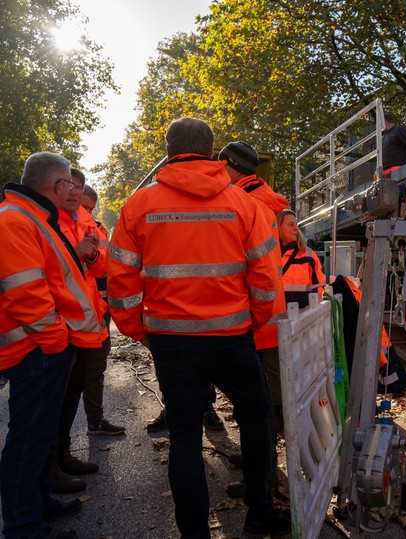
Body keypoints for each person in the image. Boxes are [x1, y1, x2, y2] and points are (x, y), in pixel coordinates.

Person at [107, 117, 289, 537]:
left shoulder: (139, 206)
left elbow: (121, 282)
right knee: (257, 422)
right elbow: (266, 280)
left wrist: (141, 330)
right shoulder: (245, 206)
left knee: (185, 438)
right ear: (214, 153)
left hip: (172, 342)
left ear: (167, 151)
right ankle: (260, 513)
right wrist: (251, 322)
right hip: (233, 339)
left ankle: (194, 532)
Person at [0, 152, 108, 539]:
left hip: (42, 347)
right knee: (27, 441)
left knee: (37, 437)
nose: (72, 189)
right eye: (68, 182)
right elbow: (26, 292)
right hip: (36, 350)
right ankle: (24, 525)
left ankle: (38, 505)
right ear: (56, 184)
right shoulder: (16, 220)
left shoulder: (30, 218)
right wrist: (55, 340)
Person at [218, 140, 287, 501]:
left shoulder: (243, 204)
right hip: (270, 314)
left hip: (254, 318)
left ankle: (262, 482)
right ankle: (257, 466)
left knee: (259, 407)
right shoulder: (270, 200)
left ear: (229, 165)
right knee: (261, 403)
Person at [51, 168, 123, 493]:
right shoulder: (46, 223)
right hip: (57, 329)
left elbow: (102, 265)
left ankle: (60, 455)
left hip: (85, 322)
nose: (75, 193)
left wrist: (91, 252)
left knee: (74, 390)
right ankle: (44, 476)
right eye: (69, 186)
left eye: (78, 188)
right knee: (50, 404)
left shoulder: (85, 224)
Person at [277, 209, 326, 308]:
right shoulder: (268, 255)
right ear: (278, 227)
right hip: (273, 318)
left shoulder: (309, 255)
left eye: (296, 225)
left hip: (303, 316)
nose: (296, 228)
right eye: (291, 225)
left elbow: (319, 288)